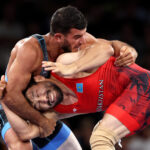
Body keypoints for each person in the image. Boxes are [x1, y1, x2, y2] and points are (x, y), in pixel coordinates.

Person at [0, 5, 138, 150]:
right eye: (77, 37)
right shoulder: (29, 50)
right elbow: (10, 95)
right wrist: (41, 121)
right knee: (21, 147)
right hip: (12, 107)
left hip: (43, 114)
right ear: (59, 37)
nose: (83, 41)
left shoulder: (80, 41)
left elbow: (111, 46)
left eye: (83, 34)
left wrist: (128, 51)